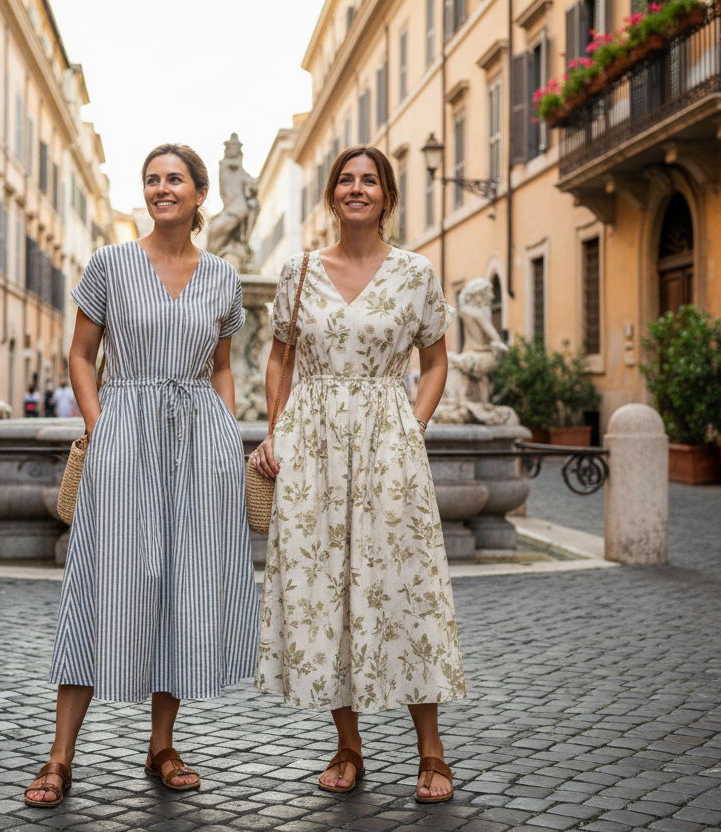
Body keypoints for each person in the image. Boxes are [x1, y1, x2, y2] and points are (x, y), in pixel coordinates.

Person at [24, 144, 258, 807]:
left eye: (174, 179)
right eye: (152, 179)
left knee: (182, 588)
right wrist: (102, 427)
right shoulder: (110, 265)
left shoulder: (223, 277)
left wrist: (226, 437)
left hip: (200, 444)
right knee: (101, 587)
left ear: (199, 194)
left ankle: (162, 745)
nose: (161, 189)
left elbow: (220, 366)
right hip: (124, 433)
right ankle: (59, 755)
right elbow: (79, 355)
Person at [251, 145, 465, 804]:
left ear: (386, 194)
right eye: (345, 179)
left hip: (387, 444)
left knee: (407, 587)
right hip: (313, 448)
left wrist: (412, 426)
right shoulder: (300, 270)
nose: (356, 188)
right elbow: (280, 359)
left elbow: (435, 361)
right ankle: (348, 746)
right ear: (331, 195)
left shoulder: (415, 272)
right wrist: (275, 429)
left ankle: (432, 752)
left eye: (369, 180)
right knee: (325, 593)